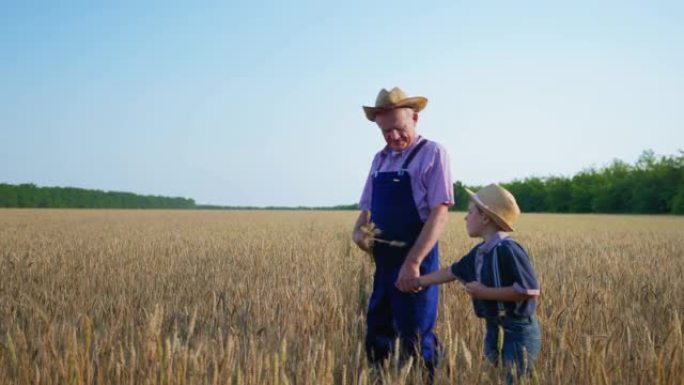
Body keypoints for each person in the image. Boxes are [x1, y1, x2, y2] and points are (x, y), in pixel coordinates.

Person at [352, 87, 454, 375]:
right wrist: (359, 233)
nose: (393, 137)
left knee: (416, 336)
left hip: (417, 258)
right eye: (386, 132)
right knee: (378, 333)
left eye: (399, 129)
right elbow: (366, 212)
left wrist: (413, 262)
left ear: (415, 118)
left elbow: (440, 213)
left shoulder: (433, 153)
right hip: (383, 263)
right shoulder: (379, 160)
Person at [415, 184, 541, 383]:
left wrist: (484, 293)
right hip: (493, 328)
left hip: (518, 331)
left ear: (485, 218)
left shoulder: (509, 249)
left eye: (470, 212)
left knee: (513, 379)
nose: (465, 217)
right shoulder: (480, 252)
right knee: (495, 378)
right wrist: (418, 281)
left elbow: (528, 290)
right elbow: (451, 272)